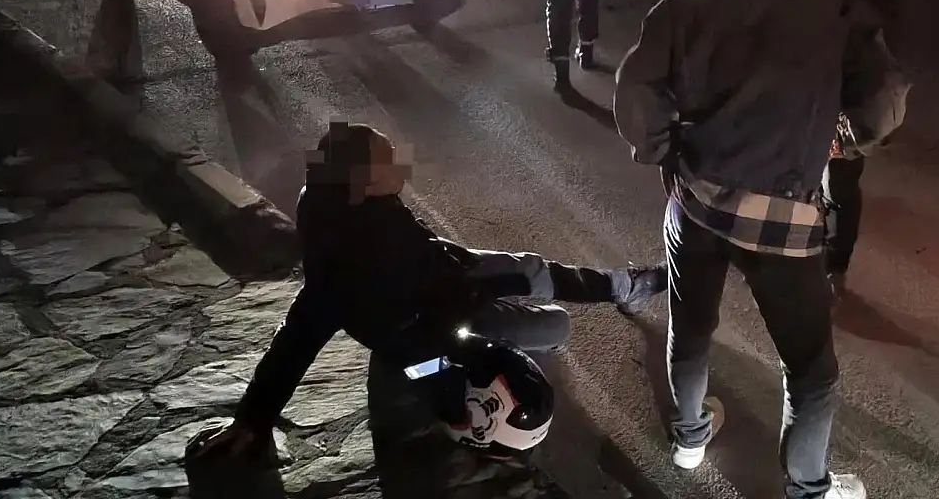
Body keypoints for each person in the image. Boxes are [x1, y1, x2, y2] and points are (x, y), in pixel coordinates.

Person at [613, 0, 903, 498]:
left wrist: (664, 153)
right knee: (810, 370)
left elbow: (634, 93)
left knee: (691, 327)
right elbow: (885, 96)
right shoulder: (834, 5)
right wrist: (847, 138)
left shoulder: (681, 9)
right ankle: (807, 489)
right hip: (785, 220)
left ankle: (690, 440)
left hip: (696, 205)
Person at [187, 121, 666, 458]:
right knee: (555, 325)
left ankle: (620, 286)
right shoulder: (347, 273)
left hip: (445, 276)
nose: (402, 163)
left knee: (530, 271)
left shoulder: (337, 203)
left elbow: (422, 257)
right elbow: (296, 338)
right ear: (364, 182)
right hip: (442, 320)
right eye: (389, 160)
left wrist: (500, 275)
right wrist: (253, 417)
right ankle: (586, 297)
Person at [751, 0, 903, 300]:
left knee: (838, 182)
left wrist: (849, 114)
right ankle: (798, 253)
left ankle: (834, 267)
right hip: (804, 83)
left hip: (843, 88)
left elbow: (877, 41)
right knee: (794, 177)